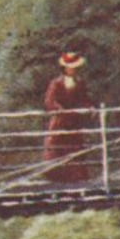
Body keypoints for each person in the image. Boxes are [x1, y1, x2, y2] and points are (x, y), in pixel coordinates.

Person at [43, 51, 94, 184]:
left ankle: (77, 180)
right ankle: (56, 180)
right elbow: (50, 101)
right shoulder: (56, 83)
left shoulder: (80, 83)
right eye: (71, 67)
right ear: (65, 68)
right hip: (60, 122)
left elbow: (84, 99)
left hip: (74, 122)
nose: (73, 69)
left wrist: (90, 107)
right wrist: (60, 110)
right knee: (57, 149)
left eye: (75, 67)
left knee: (76, 149)